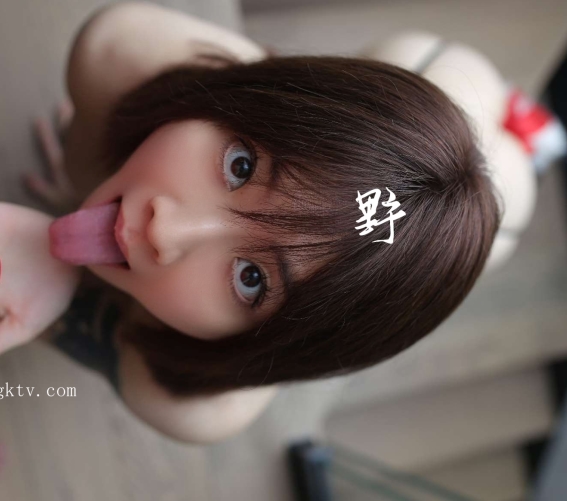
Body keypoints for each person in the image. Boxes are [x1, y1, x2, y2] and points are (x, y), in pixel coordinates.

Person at [17, 2, 501, 442]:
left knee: (488, 217)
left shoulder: (194, 408)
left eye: (251, 279)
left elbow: (40, 310)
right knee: (436, 67)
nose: (165, 230)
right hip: (423, 69)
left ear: (267, 347)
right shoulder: (122, 51)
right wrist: (82, 185)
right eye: (242, 167)